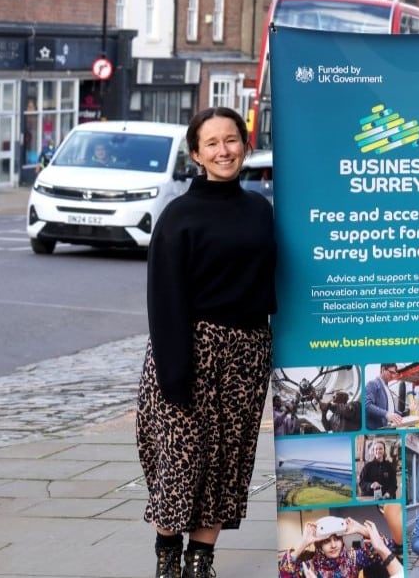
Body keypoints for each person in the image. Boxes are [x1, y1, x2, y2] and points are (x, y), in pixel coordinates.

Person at [136, 106, 277, 578]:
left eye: (231, 140)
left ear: (245, 144)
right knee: (180, 460)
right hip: (189, 352)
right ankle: (166, 557)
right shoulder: (179, 216)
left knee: (228, 460)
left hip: (246, 355)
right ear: (196, 153)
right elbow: (164, 298)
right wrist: (174, 376)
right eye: (212, 143)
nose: (224, 150)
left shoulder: (261, 210)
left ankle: (201, 560)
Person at [277, 515, 401, 578]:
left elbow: (387, 548)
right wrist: (304, 542)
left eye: (337, 539)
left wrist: (361, 529)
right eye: (326, 541)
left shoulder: (352, 559)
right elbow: (283, 573)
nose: (333, 545)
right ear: (319, 545)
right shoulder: (310, 567)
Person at [365, 363, 403, 430]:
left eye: (394, 373)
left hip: (388, 428)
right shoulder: (373, 384)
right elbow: (367, 405)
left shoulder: (387, 388)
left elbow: (390, 410)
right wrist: (386, 414)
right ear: (383, 370)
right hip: (376, 430)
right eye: (391, 372)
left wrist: (404, 414)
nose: (393, 376)